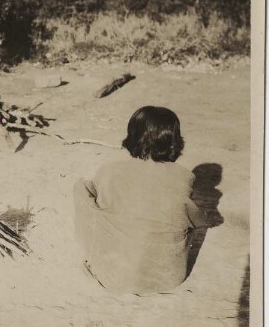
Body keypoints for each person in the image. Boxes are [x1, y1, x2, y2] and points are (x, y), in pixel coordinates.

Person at [73, 106, 209, 294]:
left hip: (113, 274)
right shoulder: (184, 176)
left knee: (82, 189)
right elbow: (198, 220)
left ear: (132, 137)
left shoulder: (110, 170)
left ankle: (97, 254)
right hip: (168, 276)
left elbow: (100, 199)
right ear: (174, 142)